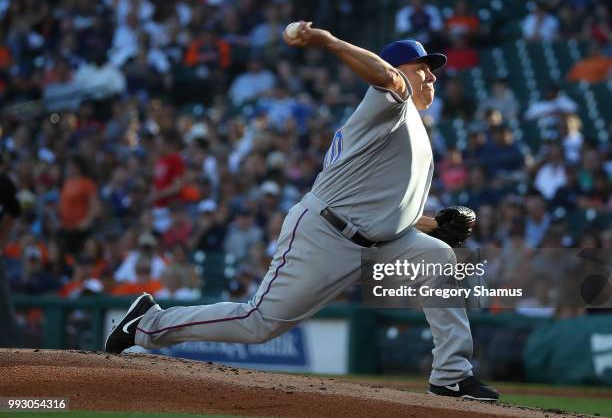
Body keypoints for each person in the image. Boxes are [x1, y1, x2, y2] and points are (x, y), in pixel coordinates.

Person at [105, 22, 499, 401]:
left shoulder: (407, 123)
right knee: (259, 323)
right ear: (398, 71)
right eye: (422, 70)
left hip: (380, 237)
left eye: (433, 72)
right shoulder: (389, 103)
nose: (431, 78)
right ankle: (147, 323)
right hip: (327, 232)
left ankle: (451, 377)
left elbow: (380, 205)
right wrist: (329, 42)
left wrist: (433, 224)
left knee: (440, 259)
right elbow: (386, 77)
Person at [0, 167, 22, 347]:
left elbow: (14, 213)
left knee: (5, 314)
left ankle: (15, 362)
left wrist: (1, 241)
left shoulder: (4, 183)